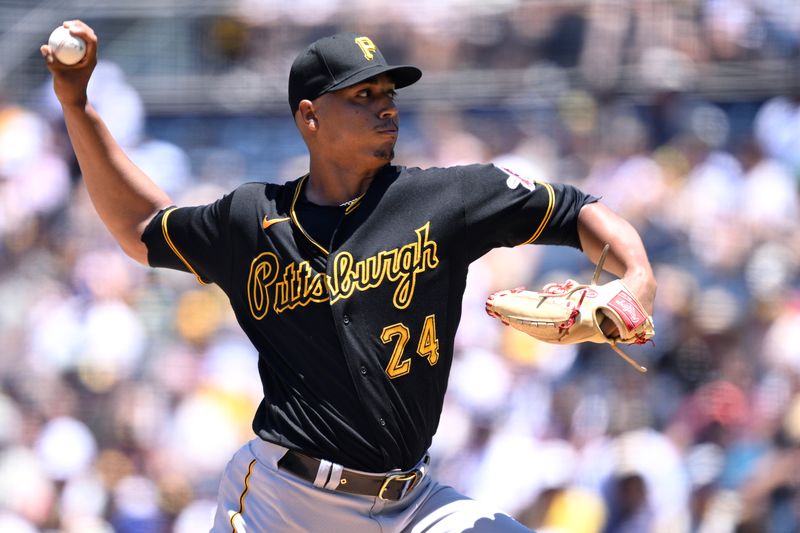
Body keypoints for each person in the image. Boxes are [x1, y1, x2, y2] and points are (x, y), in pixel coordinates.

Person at [42, 21, 657, 533]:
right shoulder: (254, 219)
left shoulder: (447, 199)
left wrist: (636, 278)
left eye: (387, 91)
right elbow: (144, 224)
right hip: (285, 502)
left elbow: (579, 210)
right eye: (361, 95)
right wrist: (76, 104)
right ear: (310, 117)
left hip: (411, 503)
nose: (384, 104)